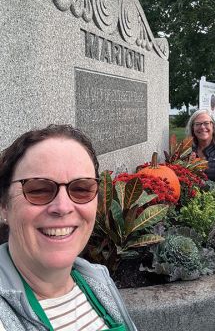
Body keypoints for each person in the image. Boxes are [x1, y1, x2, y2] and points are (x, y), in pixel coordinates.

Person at [0, 124, 137, 331]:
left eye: (81, 189)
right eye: (38, 189)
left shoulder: (98, 281)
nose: (63, 207)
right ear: (3, 205)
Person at [186, 109, 215, 181]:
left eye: (206, 123)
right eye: (197, 124)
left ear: (213, 126)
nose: (202, 127)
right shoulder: (186, 152)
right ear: (193, 128)